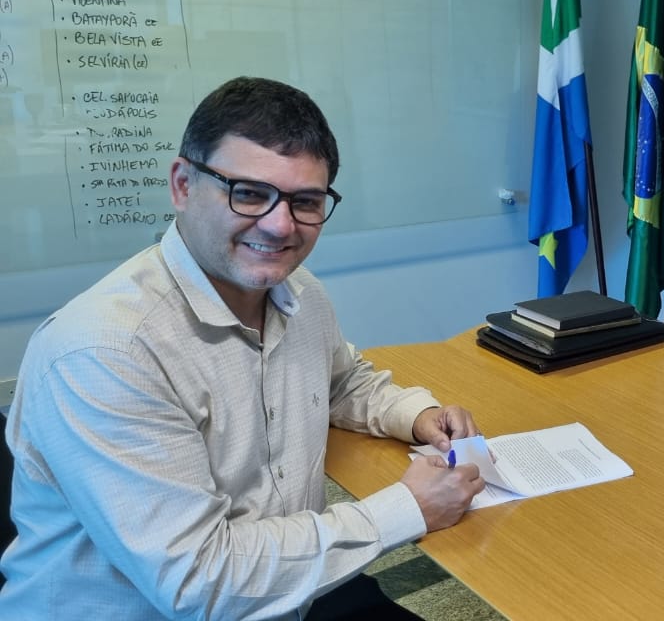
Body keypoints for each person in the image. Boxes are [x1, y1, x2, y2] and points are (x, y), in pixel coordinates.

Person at [0, 77, 486, 620]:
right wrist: (407, 509)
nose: (280, 225)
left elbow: (340, 382)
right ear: (182, 185)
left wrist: (414, 415)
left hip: (286, 586)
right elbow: (200, 583)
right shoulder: (106, 352)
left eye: (306, 201)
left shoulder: (299, 293)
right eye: (249, 193)